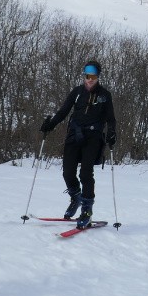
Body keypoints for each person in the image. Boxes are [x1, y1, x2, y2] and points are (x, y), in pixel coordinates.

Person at [40, 60, 117, 223]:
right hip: (74, 135)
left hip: (93, 138)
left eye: (93, 76)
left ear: (98, 77)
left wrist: (111, 132)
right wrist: (50, 125)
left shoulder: (105, 95)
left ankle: (87, 210)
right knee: (67, 172)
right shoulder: (76, 92)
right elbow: (63, 112)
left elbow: (111, 119)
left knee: (86, 173)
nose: (90, 79)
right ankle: (76, 197)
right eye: (87, 76)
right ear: (84, 76)